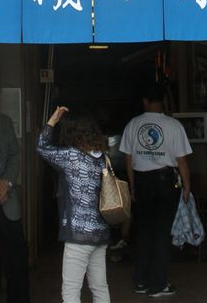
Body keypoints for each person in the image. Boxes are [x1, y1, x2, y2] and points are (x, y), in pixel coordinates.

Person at [119, 84, 192, 297]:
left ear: (145, 101)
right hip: (165, 182)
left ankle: (141, 281)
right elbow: (182, 161)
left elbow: (128, 159)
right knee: (162, 233)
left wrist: (133, 185)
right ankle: (158, 284)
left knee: (143, 231)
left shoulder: (133, 124)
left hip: (142, 182)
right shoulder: (173, 125)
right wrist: (187, 186)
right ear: (164, 101)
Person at [37, 106, 110, 303]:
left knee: (71, 291)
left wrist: (52, 120)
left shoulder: (72, 156)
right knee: (100, 288)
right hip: (100, 232)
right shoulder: (103, 158)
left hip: (78, 234)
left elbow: (42, 147)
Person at [0, 112, 29, 302]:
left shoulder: (4, 121)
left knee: (16, 257)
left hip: (6, 201)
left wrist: (6, 182)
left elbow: (15, 154)